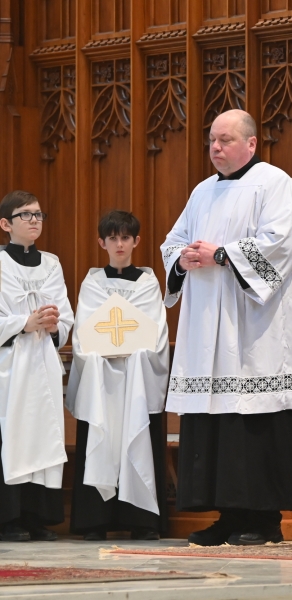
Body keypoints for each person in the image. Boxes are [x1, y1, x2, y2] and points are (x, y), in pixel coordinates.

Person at [161, 109, 292, 546]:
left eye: (226, 140)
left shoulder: (275, 183)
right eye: (212, 140)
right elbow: (174, 239)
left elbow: (281, 247)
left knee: (254, 423)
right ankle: (227, 515)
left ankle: (264, 518)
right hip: (209, 329)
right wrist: (182, 258)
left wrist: (220, 255)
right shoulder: (202, 191)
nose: (216, 148)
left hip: (257, 329)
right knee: (217, 423)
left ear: (251, 144)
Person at [67, 210, 169, 541]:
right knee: (102, 436)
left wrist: (134, 352)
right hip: (102, 381)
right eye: (113, 238)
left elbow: (155, 332)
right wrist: (102, 354)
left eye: (126, 237)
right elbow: (84, 331)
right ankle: (94, 521)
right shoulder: (93, 282)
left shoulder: (149, 282)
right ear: (102, 242)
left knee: (138, 439)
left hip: (137, 378)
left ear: (137, 241)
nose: (119, 244)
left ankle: (142, 521)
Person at [0, 190, 73, 541]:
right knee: (13, 435)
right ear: (5, 224)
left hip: (43, 361)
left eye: (39, 215)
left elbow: (66, 312)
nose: (34, 221)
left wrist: (57, 325)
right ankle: (7, 518)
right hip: (10, 366)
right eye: (25, 215)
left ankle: (36, 516)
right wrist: (23, 324)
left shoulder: (52, 263)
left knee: (43, 436)